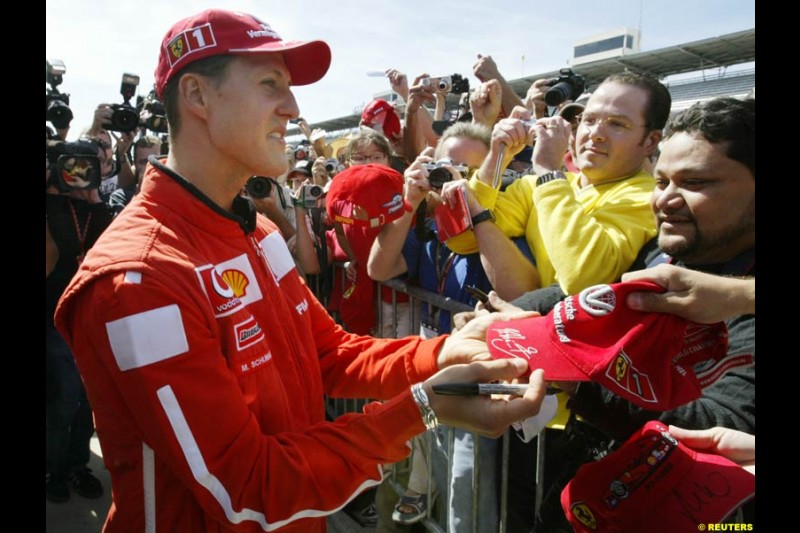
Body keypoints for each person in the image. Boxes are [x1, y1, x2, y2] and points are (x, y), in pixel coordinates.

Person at [54, 9, 547, 532]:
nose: (291, 108)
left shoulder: (259, 232)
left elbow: (328, 353)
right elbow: (249, 489)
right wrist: (426, 407)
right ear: (197, 96)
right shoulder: (136, 278)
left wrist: (444, 350)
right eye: (271, 84)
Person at [496, 96, 755, 532]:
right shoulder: (663, 255)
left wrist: (569, 370)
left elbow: (722, 426)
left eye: (696, 182)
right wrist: (504, 319)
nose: (667, 200)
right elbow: (585, 297)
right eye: (661, 182)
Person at [445, 71, 671, 300]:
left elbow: (583, 280)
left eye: (617, 124)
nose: (595, 134)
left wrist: (547, 170)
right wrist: (497, 157)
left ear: (651, 141)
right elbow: (462, 240)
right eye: (589, 120)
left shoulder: (649, 198)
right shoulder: (535, 187)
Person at [46, 138, 113, 503]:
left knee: (87, 398)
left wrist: (97, 202)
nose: (78, 174)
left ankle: (76, 464)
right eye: (70, 166)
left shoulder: (92, 209)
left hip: (87, 319)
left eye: (86, 166)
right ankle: (52, 469)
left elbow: (108, 248)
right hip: (51, 317)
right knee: (62, 399)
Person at [108, 134, 162, 216]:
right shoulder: (121, 197)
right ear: (135, 164)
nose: (149, 166)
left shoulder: (175, 195)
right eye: (143, 162)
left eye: (155, 160)